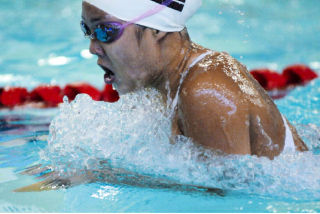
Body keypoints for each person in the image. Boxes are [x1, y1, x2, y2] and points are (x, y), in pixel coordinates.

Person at [80, 0, 308, 159]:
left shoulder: (206, 92)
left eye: (104, 31)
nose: (92, 48)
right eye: (87, 30)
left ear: (157, 29)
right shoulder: (165, 84)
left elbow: (228, 201)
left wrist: (103, 175)